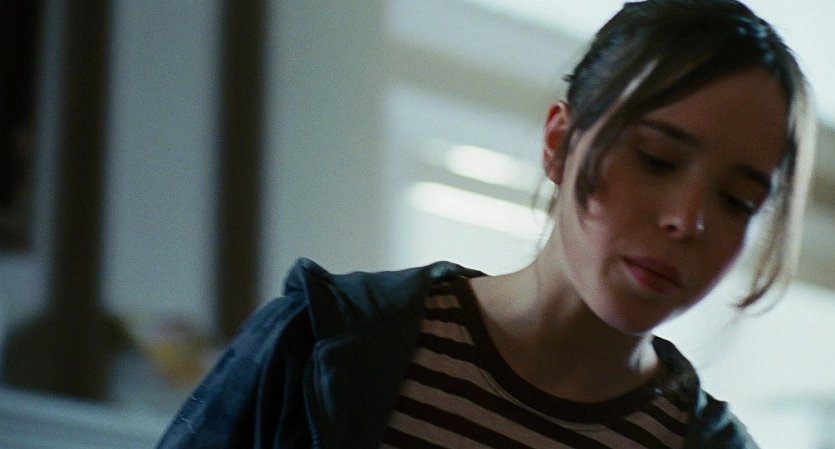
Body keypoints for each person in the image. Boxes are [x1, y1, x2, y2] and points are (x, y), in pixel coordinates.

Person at [156, 0, 817, 448]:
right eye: (655, 159)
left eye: (737, 200)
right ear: (559, 142)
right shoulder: (326, 342)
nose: (686, 220)